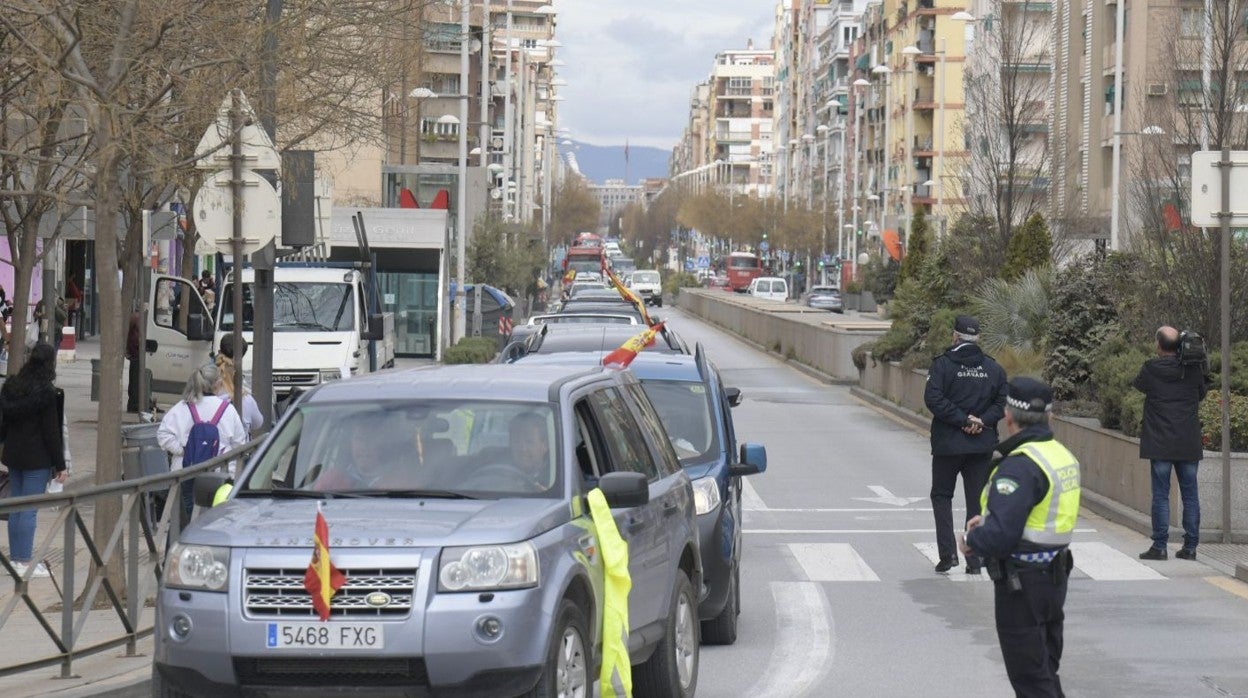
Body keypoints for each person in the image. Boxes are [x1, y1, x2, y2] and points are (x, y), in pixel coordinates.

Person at [961, 377, 1081, 698]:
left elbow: (1001, 536)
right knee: (1043, 672)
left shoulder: (1020, 467)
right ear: (1050, 417)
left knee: (1031, 681)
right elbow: (1037, 515)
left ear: (1007, 416)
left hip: (1022, 585)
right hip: (1054, 579)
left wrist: (973, 540)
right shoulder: (1061, 456)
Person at [924, 314, 1008, 574]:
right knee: (976, 501)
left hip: (948, 446)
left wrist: (962, 420)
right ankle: (974, 560)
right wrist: (979, 422)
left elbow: (933, 400)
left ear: (955, 336)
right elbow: (1001, 403)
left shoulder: (943, 365)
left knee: (942, 496)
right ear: (978, 338)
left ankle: (948, 555)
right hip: (980, 446)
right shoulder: (994, 369)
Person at [1134, 326, 1208, 561]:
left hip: (1160, 442)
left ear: (1158, 345)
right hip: (1187, 442)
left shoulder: (1151, 369)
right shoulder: (1192, 370)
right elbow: (1201, 393)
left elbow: (1139, 385)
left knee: (1161, 495)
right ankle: (1190, 547)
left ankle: (1160, 546)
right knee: (1190, 494)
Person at [1, 343, 69, 578]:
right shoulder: (47, 393)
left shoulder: (12, 387)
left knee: (16, 507)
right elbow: (51, 432)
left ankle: (15, 560)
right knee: (28, 509)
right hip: (36, 458)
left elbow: (4, 424)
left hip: (13, 455)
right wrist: (60, 464)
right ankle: (24, 561)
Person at [157, 363, 247, 524]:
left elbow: (163, 435)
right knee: (216, 525)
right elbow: (240, 444)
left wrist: (185, 450)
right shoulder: (228, 410)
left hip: (184, 473)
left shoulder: (182, 407)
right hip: (221, 475)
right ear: (218, 384)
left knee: (183, 523)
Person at [313, 413, 408, 491]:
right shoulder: (330, 481)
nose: (364, 446)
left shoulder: (403, 483)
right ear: (350, 444)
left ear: (383, 445)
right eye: (359, 439)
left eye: (371, 439)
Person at [215, 336, 263, 435]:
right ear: (242, 357)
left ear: (219, 352)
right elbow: (258, 423)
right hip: (239, 449)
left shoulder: (204, 396)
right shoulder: (246, 399)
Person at [126, 312, 142, 413]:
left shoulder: (135, 318)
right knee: (135, 380)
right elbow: (134, 339)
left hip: (135, 353)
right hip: (136, 353)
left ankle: (133, 403)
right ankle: (134, 404)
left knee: (134, 380)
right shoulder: (137, 319)